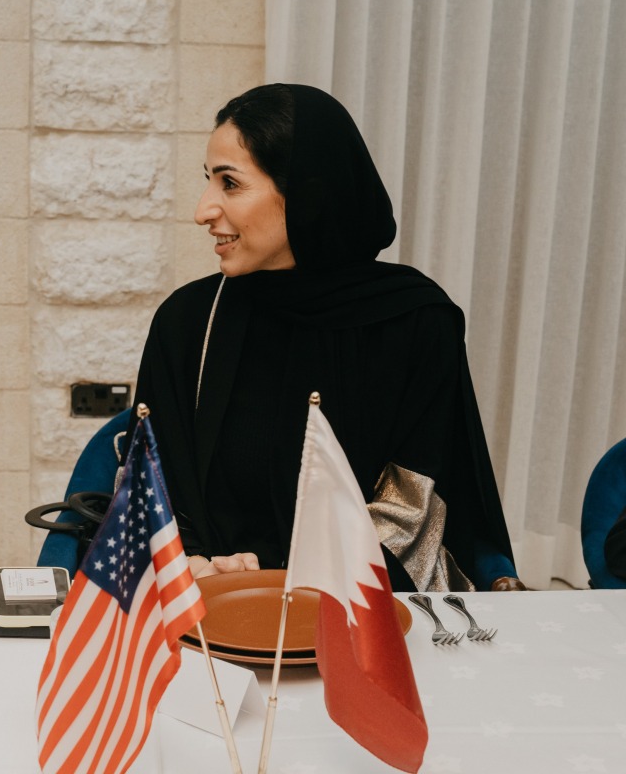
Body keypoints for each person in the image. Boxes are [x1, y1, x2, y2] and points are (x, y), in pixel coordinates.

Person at [133, 83, 518, 591]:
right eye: (209, 181)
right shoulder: (190, 320)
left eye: (230, 184)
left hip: (359, 611)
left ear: (306, 194)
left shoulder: (415, 323)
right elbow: (151, 483)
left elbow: (415, 505)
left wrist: (294, 580)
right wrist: (200, 565)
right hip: (210, 608)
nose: (203, 209)